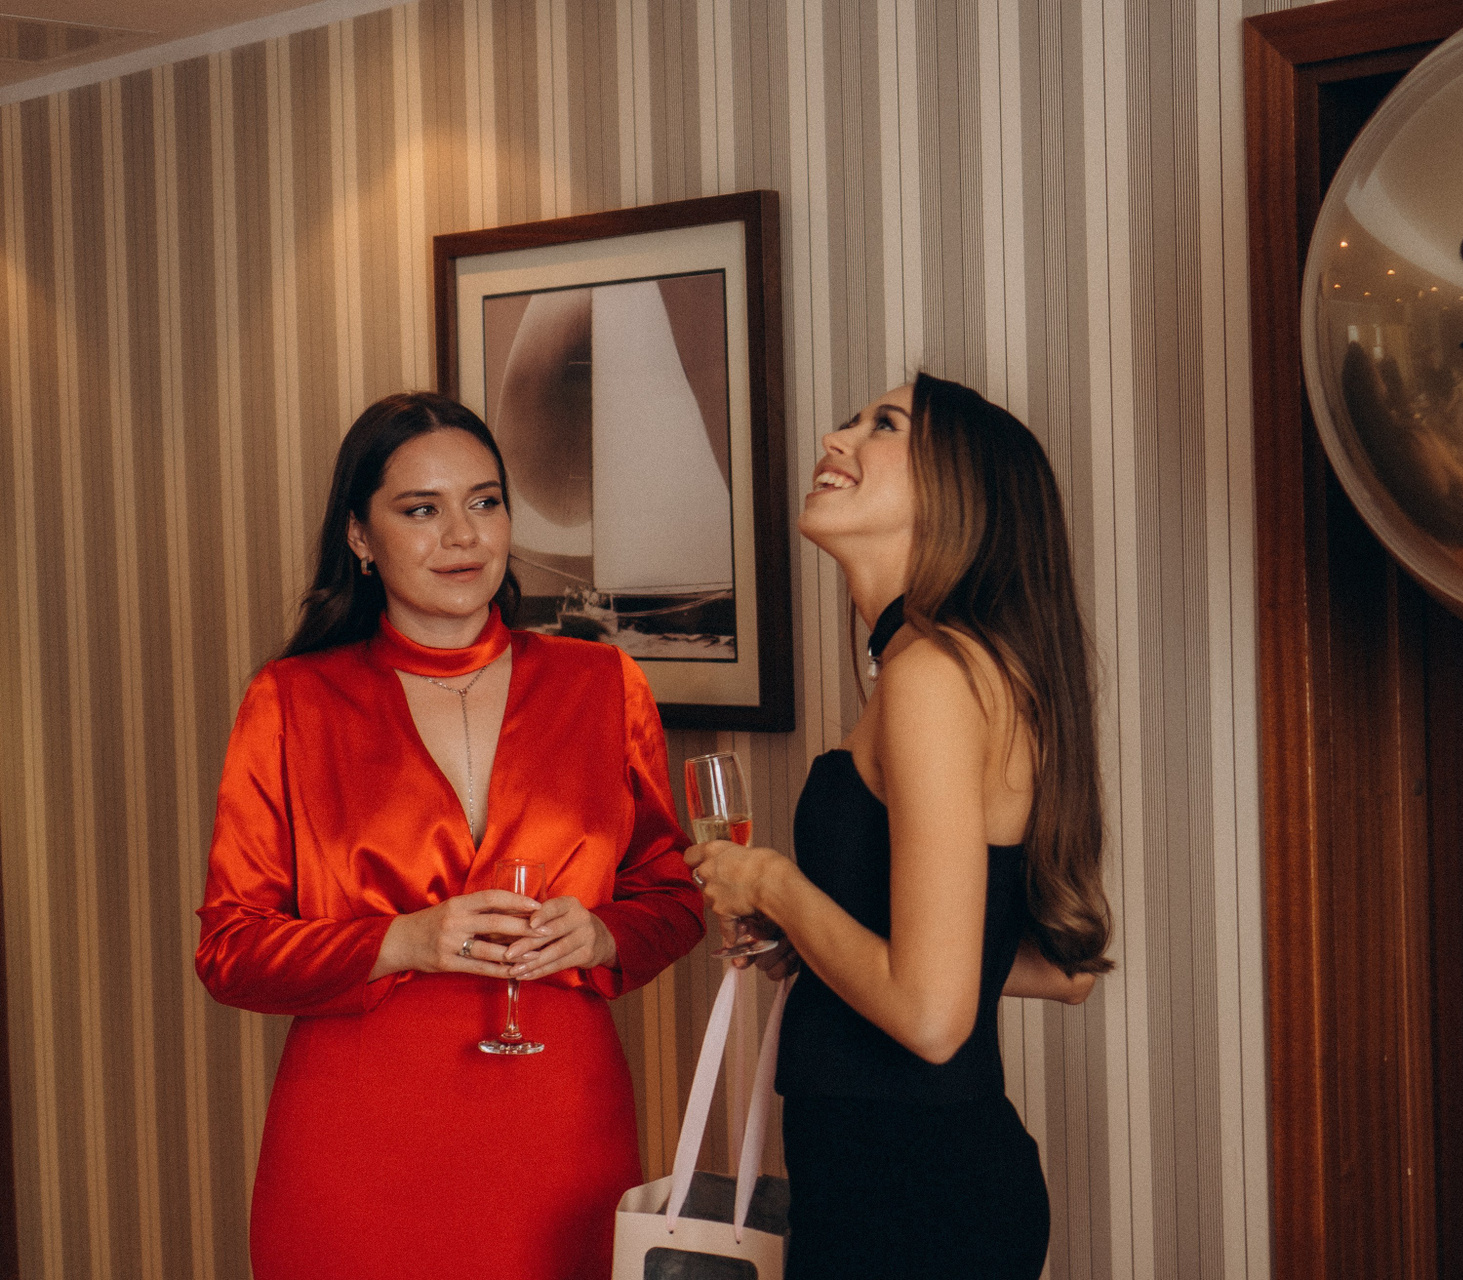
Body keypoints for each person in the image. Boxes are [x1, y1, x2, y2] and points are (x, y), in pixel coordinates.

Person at [195, 392, 704, 1280]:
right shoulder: (291, 702)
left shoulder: (603, 683)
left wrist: (602, 934)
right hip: (357, 1141)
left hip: (562, 1130)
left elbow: (673, 894)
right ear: (360, 536)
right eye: (421, 510)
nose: (463, 536)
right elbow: (230, 950)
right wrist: (402, 941)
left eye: (484, 501)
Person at [685, 373, 1112, 1279]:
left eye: (884, 425)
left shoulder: (930, 678)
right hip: (907, 1184)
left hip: (909, 1201)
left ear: (960, 495)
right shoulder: (956, 667)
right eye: (852, 418)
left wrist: (772, 885)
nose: (835, 439)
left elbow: (930, 1016)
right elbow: (1058, 969)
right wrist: (820, 941)